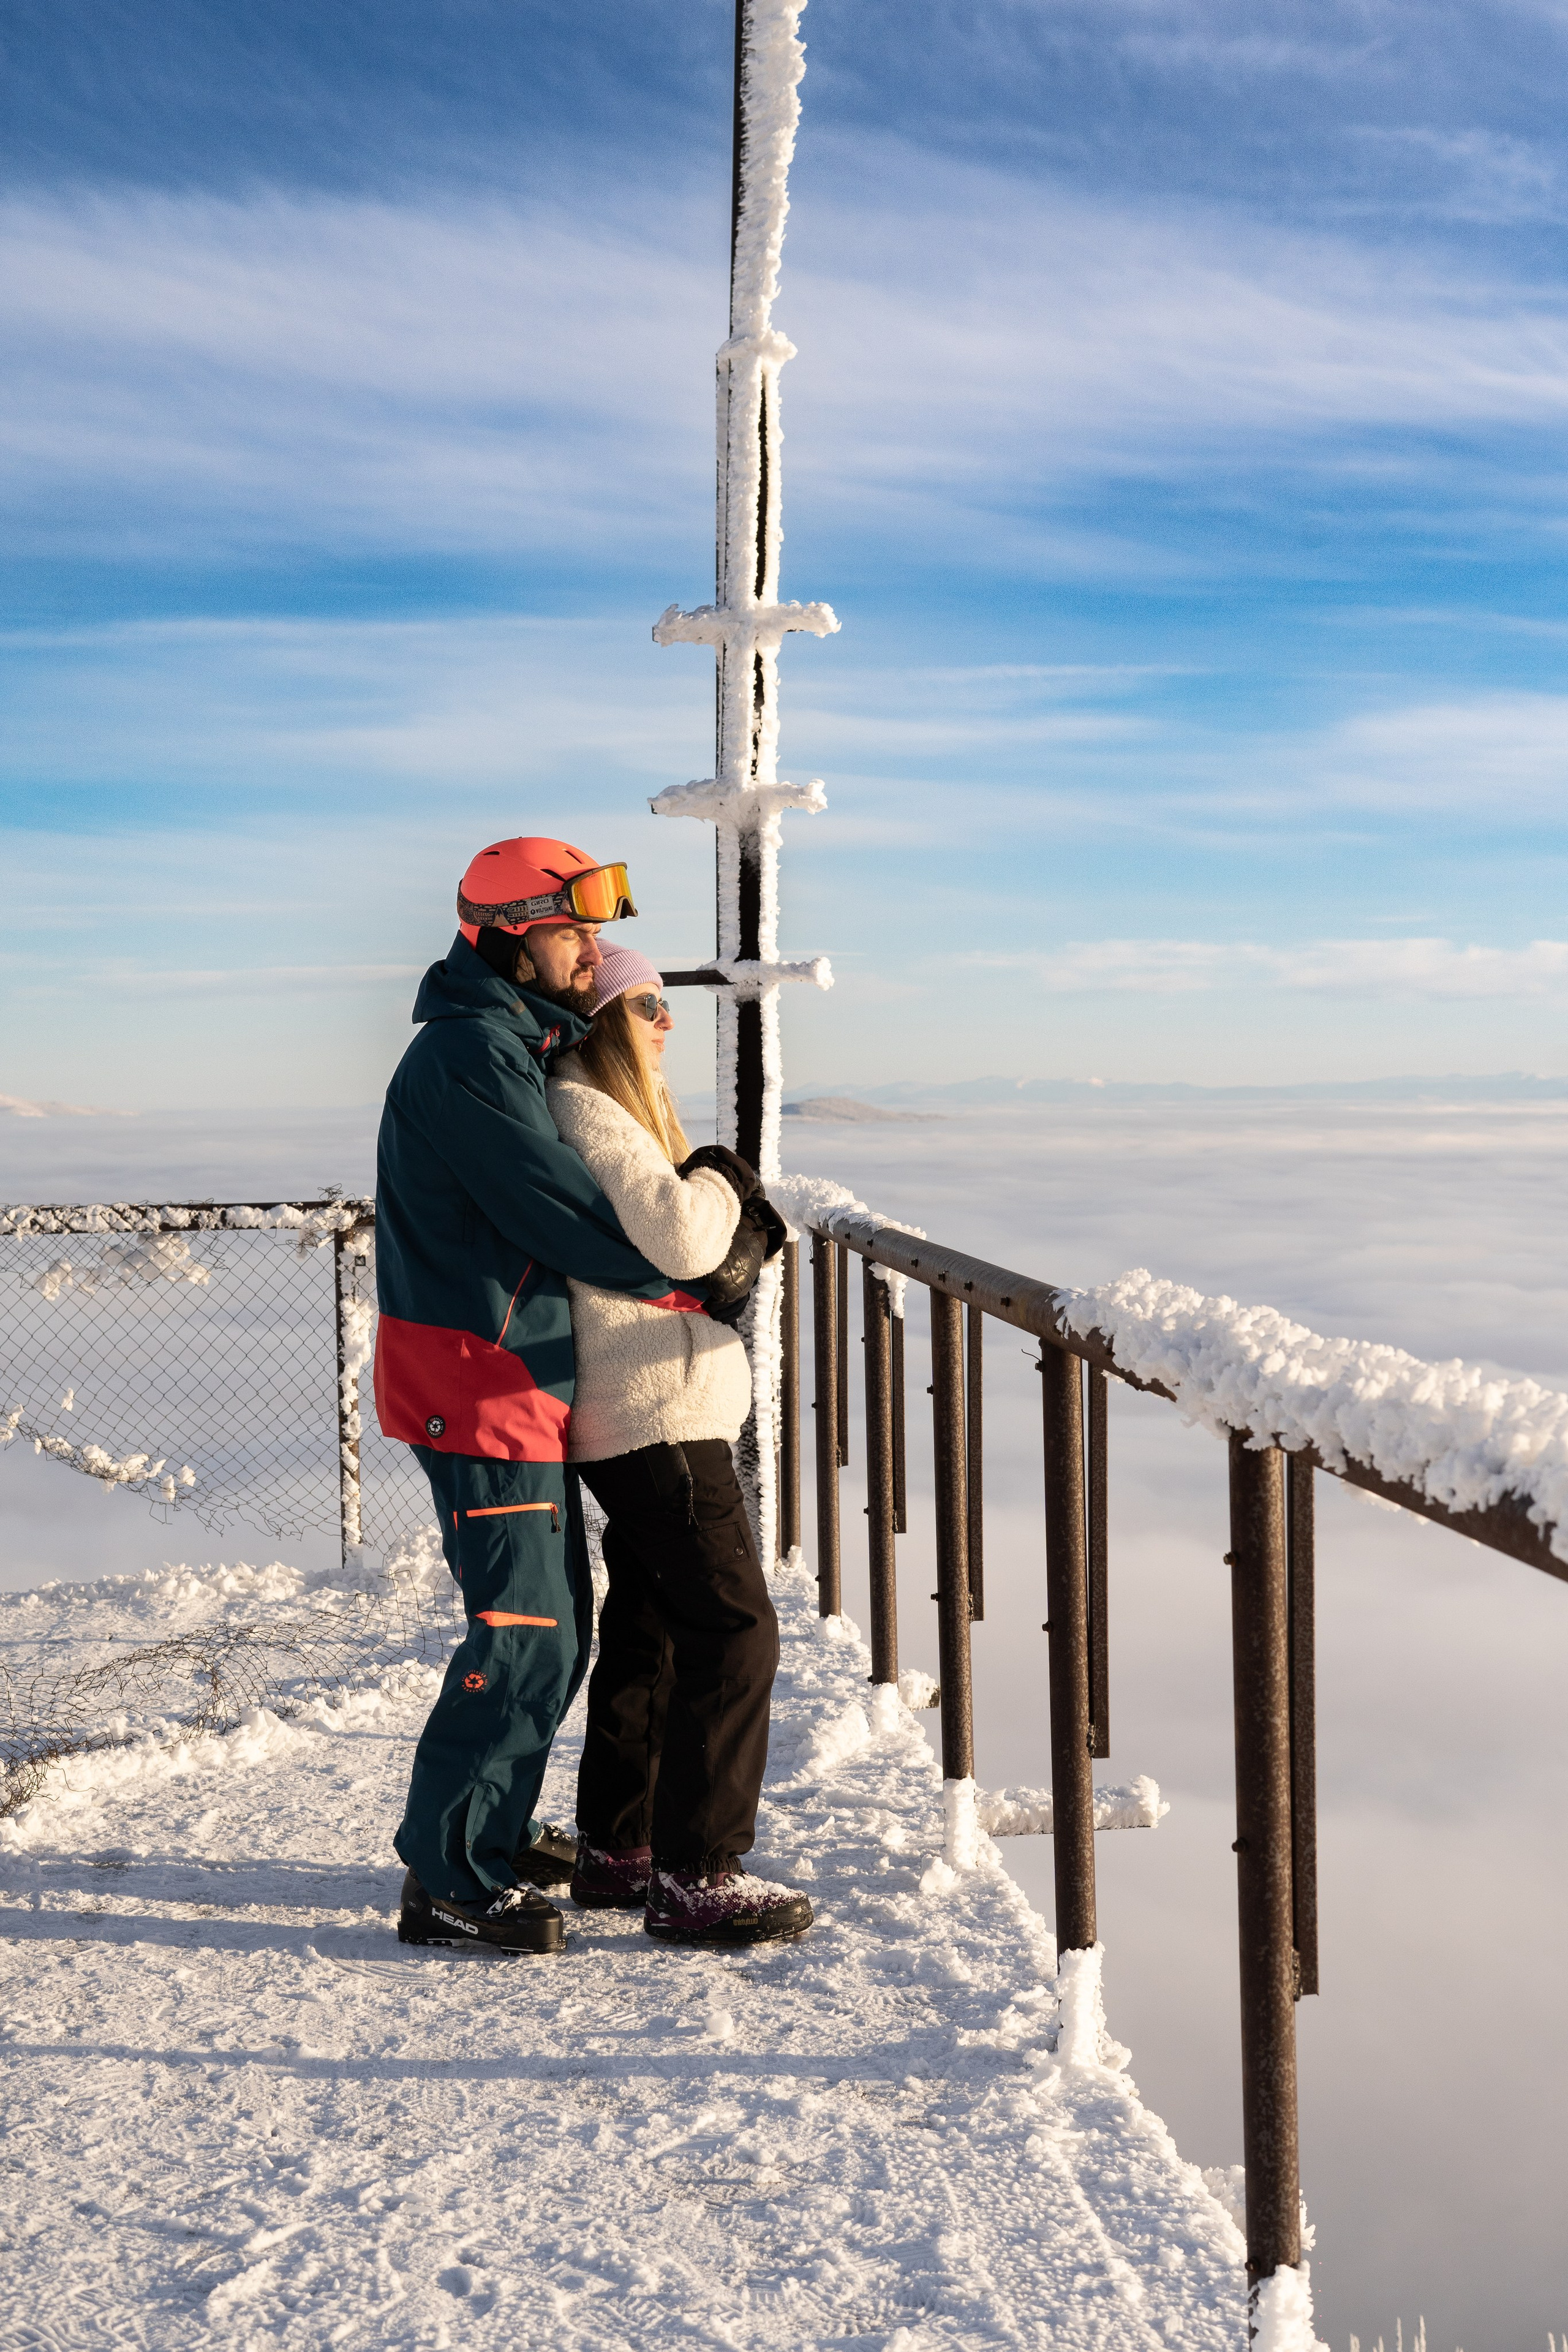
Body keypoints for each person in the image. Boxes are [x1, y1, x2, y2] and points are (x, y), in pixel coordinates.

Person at [374, 836, 760, 1958]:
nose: (591, 953)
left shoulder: (508, 1041)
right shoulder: (466, 1058)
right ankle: (449, 1875)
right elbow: (554, 1212)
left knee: (562, 1624)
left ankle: (484, 1829)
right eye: (571, 930)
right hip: (477, 1377)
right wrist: (696, 1273)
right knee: (526, 1628)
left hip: (514, 1372)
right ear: (509, 933)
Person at [545, 944, 812, 1948]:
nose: (665, 1021)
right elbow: (692, 1242)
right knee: (736, 1629)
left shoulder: (601, 1106)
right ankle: (699, 1872)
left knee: (653, 1628)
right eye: (647, 1003)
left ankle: (619, 1850)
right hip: (658, 1415)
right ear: (607, 1017)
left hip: (652, 1410)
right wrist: (718, 1178)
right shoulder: (589, 1105)